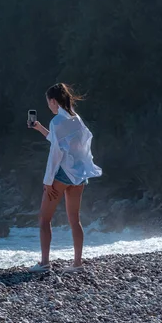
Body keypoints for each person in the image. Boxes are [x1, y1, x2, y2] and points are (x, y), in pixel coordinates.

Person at [27, 83, 102, 273]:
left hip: (61, 175)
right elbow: (61, 141)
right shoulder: (76, 119)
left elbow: (55, 154)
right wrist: (40, 128)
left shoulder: (57, 122)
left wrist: (47, 181)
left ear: (53, 101)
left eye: (49, 103)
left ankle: (44, 263)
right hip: (79, 175)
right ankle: (77, 263)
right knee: (74, 220)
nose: (49, 107)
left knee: (44, 219)